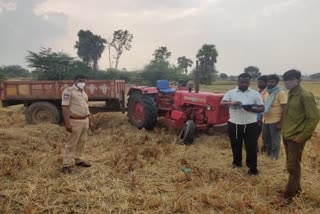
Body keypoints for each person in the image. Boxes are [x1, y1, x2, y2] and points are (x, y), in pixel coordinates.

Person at [281, 69, 320, 202]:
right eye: (286, 80)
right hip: (288, 135)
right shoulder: (291, 94)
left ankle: (289, 196)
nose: (287, 82)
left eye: (291, 79)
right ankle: (296, 190)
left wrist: (302, 136)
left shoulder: (305, 96)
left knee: (292, 167)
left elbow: (314, 118)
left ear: (299, 80)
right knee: (292, 165)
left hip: (296, 138)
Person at [221, 73, 265, 176]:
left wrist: (251, 109)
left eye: (247, 82)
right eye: (242, 82)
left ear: (250, 82)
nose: (244, 84)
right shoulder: (230, 93)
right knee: (236, 146)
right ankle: (237, 164)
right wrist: (231, 103)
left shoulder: (255, 94)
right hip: (234, 124)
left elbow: (262, 108)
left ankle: (252, 168)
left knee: (251, 147)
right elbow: (222, 104)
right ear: (238, 81)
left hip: (251, 124)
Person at [61, 75, 92, 174]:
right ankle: (66, 164)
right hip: (75, 121)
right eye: (80, 80)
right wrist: (67, 123)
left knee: (82, 141)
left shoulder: (84, 93)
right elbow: (65, 107)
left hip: (85, 120)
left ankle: (78, 160)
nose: (82, 82)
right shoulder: (69, 91)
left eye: (84, 81)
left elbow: (85, 106)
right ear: (74, 81)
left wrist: (88, 118)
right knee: (71, 143)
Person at [262, 74, 287, 159]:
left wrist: (281, 123)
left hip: (275, 120)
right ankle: (268, 154)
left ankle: (274, 157)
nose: (270, 83)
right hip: (265, 119)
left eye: (273, 82)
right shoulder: (266, 91)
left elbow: (285, 108)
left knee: (275, 140)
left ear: (277, 82)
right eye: (269, 81)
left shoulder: (281, 92)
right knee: (266, 139)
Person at [256, 75, 268, 152]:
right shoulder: (257, 92)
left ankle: (265, 149)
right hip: (257, 116)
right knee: (255, 133)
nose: (259, 84)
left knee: (265, 135)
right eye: (258, 82)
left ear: (266, 83)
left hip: (266, 116)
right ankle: (255, 147)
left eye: (261, 82)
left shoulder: (268, 93)